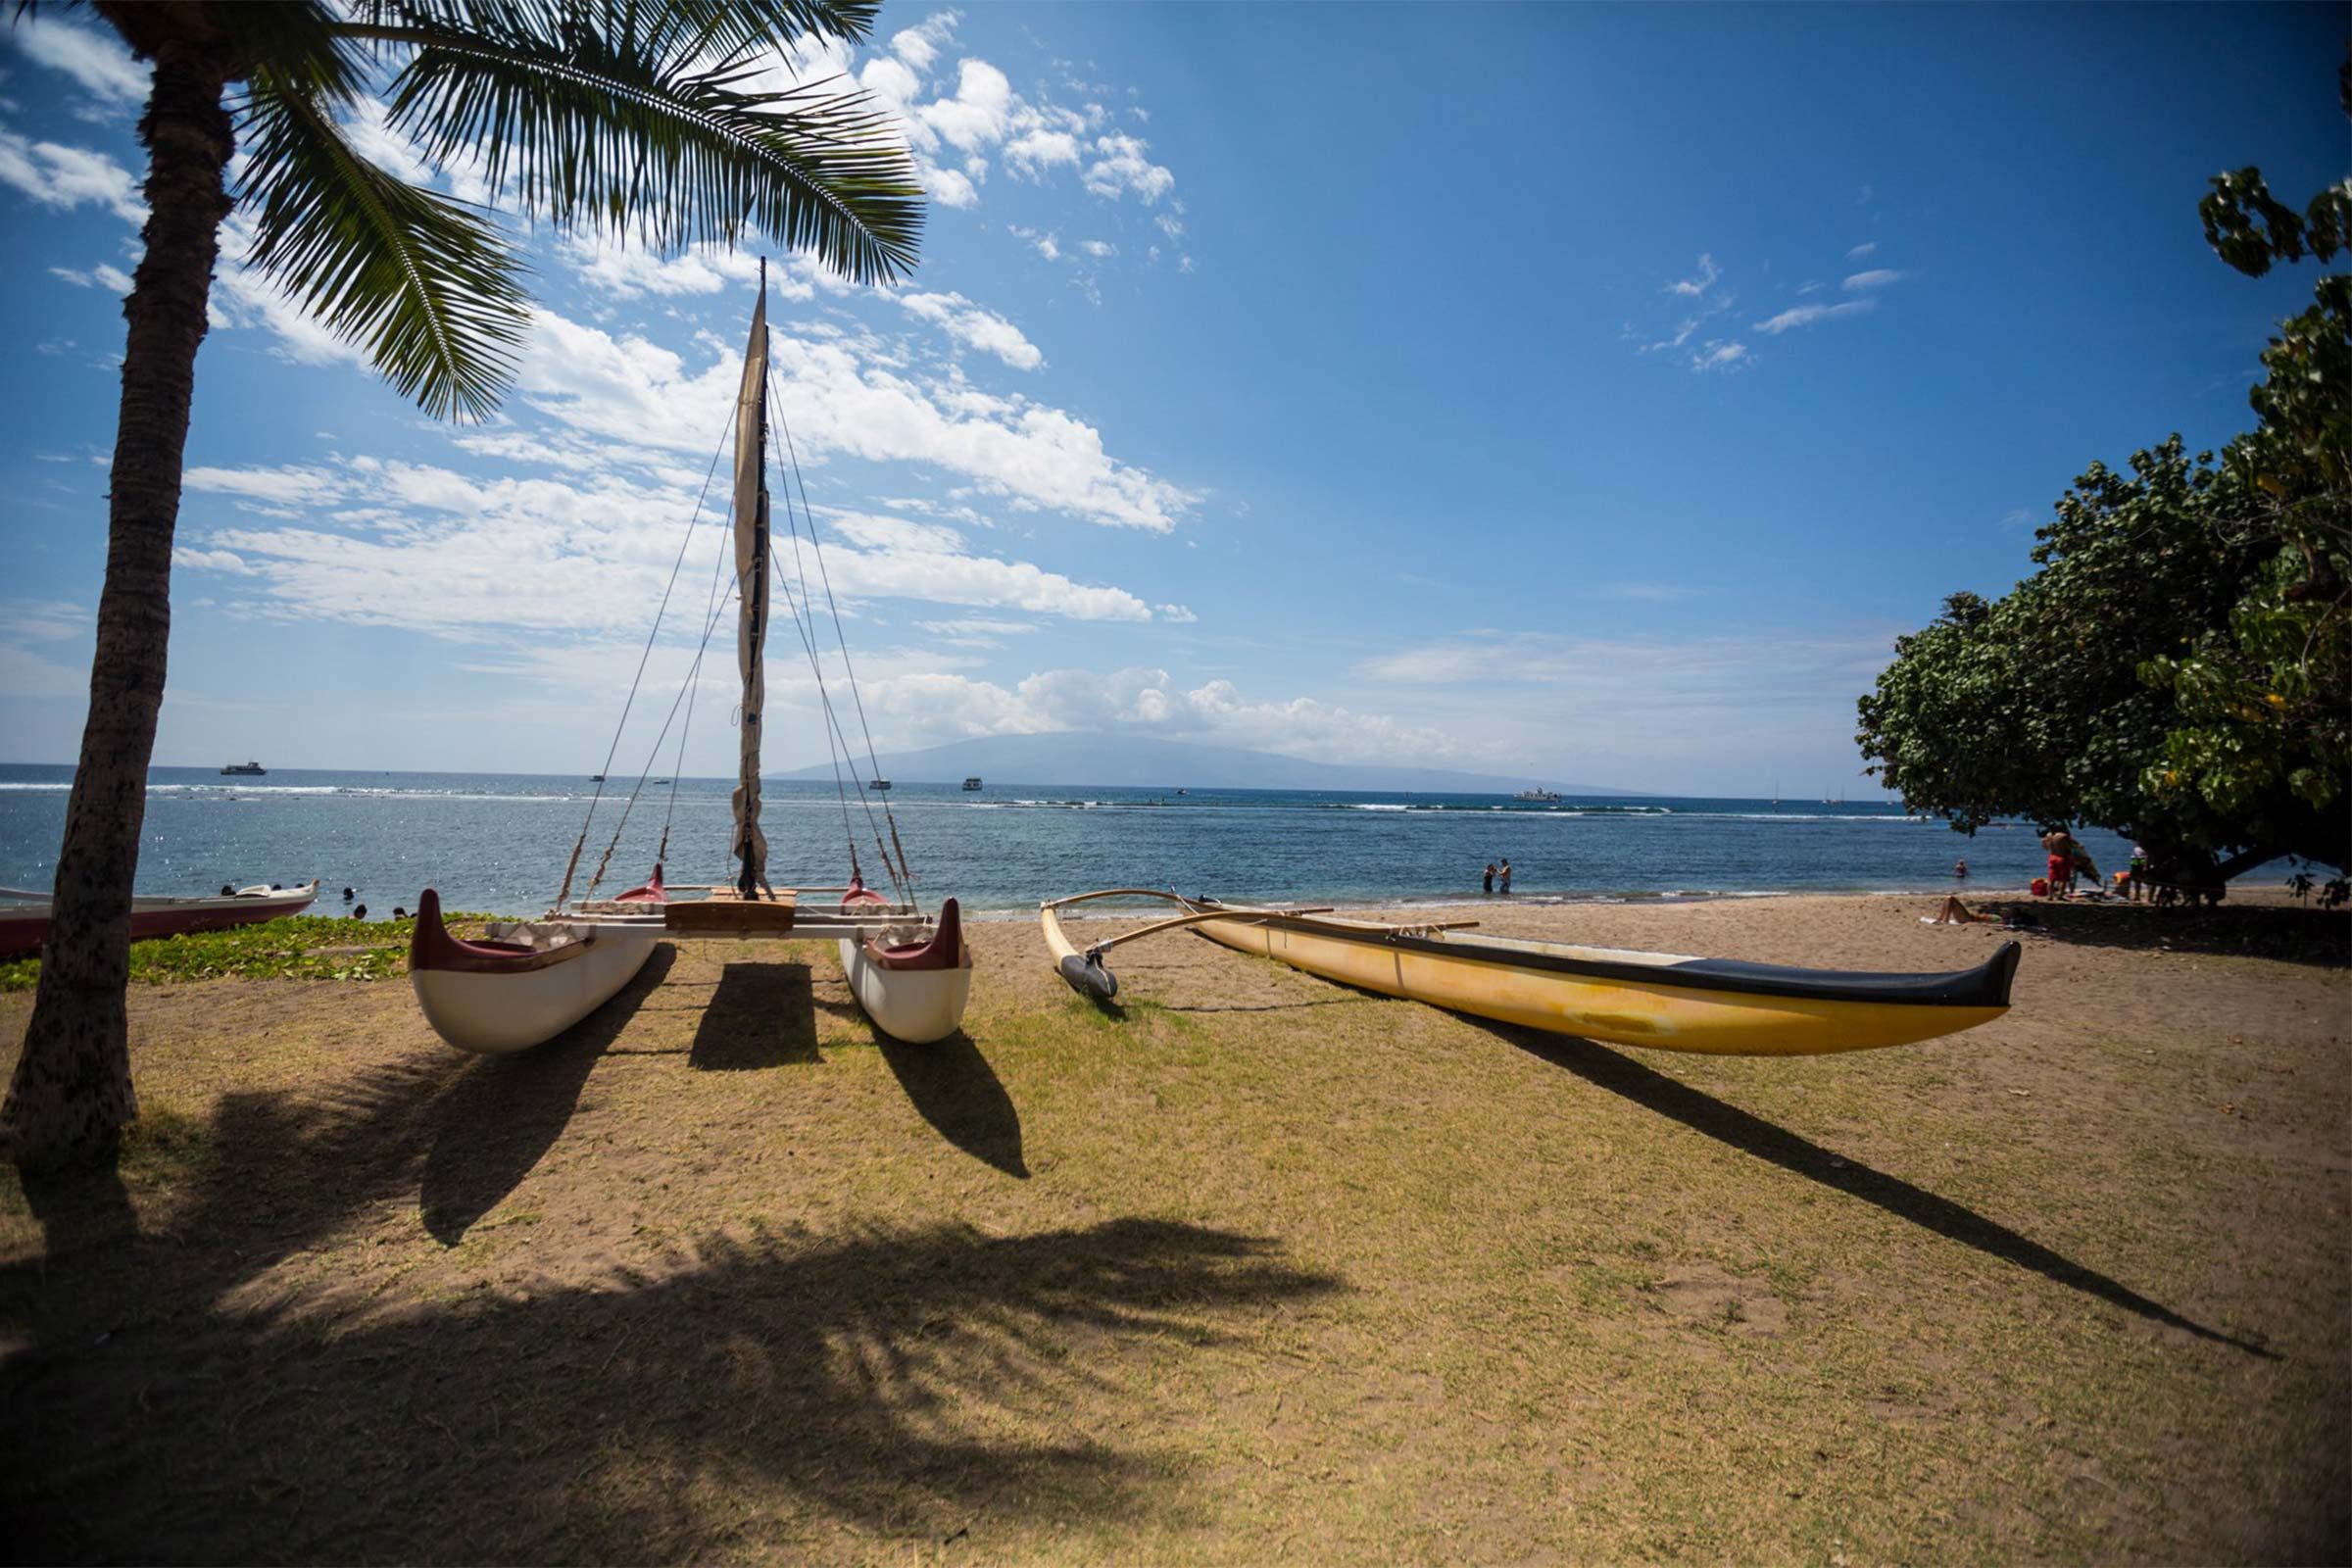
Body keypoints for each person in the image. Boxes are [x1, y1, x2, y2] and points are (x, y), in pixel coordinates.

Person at [2039, 826, 2077, 897]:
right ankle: (2060, 896)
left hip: (2052, 857)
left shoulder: (2048, 835)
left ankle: (2050, 896)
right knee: (2063, 879)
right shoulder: (2064, 836)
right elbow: (2069, 847)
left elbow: (2045, 847)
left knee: (2051, 879)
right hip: (2062, 857)